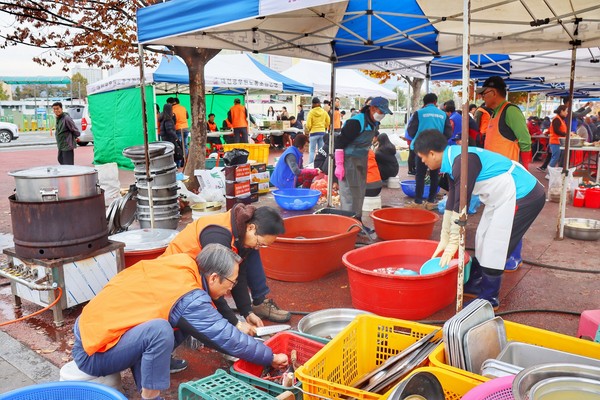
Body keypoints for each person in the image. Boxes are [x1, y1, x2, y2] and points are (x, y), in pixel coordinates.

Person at [72, 244, 288, 400]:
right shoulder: (188, 296)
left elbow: (211, 329)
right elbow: (226, 338)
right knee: (160, 331)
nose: (231, 288)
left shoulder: (185, 264)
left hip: (94, 330)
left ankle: (147, 383)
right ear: (213, 277)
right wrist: (269, 356)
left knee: (178, 325)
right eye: (231, 282)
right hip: (93, 351)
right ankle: (150, 396)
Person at [414, 129, 545, 309]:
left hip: (523, 194)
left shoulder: (463, 162)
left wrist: (454, 239)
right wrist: (445, 235)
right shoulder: (452, 161)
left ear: (432, 153)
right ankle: (477, 281)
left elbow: (462, 204)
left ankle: (490, 297)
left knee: (496, 243)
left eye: (423, 157)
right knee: (482, 236)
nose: (423, 162)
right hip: (500, 198)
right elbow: (453, 200)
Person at [161, 204, 291, 326]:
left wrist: (247, 312)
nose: (258, 247)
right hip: (173, 276)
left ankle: (258, 304)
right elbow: (214, 286)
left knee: (249, 256)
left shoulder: (242, 231)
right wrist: (235, 323)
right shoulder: (219, 237)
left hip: (197, 269)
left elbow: (238, 273)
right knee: (204, 315)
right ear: (251, 227)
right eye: (259, 243)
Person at [476, 76, 532, 272]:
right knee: (499, 217)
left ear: (493, 92)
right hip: (496, 176)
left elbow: (525, 140)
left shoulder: (511, 111)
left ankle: (514, 256)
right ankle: (501, 254)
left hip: (511, 175)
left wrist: (525, 168)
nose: (482, 97)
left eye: (483, 93)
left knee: (512, 215)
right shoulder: (494, 114)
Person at [334, 96, 392, 223]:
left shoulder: (374, 123)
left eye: (384, 113)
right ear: (372, 108)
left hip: (362, 159)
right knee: (349, 193)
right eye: (381, 112)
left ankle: (357, 221)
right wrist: (339, 164)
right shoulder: (355, 122)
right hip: (348, 160)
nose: (382, 115)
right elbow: (339, 143)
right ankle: (347, 223)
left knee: (359, 191)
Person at [405, 93, 453, 209]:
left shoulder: (419, 113)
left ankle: (418, 201)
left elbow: (410, 131)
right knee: (434, 175)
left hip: (421, 148)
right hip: (436, 148)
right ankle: (431, 201)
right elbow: (448, 133)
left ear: (424, 102)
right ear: (435, 102)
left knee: (420, 174)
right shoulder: (443, 115)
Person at [305, 97, 330, 164]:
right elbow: (328, 121)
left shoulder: (311, 112)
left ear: (313, 104)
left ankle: (311, 164)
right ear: (319, 104)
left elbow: (308, 124)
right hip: (322, 132)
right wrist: (324, 127)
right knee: (321, 150)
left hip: (313, 133)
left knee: (312, 150)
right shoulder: (324, 112)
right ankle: (320, 164)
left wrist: (310, 129)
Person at [172, 97, 190, 165]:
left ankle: (179, 163)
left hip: (178, 128)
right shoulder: (183, 108)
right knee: (185, 145)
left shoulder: (172, 109)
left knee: (178, 146)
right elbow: (187, 116)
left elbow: (173, 119)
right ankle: (186, 162)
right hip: (185, 128)